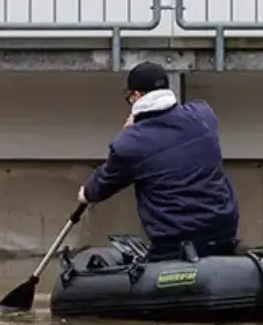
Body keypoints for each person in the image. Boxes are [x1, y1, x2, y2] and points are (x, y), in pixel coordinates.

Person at [77, 61, 240, 262]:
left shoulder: (129, 143)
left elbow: (99, 187)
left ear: (136, 96)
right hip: (223, 228)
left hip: (176, 240)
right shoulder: (203, 115)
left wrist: (84, 193)